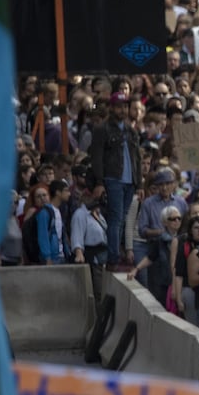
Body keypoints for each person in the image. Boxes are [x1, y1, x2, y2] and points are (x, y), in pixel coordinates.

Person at [88, 92, 141, 268]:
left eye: (125, 106)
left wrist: (139, 183)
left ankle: (115, 253)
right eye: (119, 106)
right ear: (111, 108)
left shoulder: (131, 131)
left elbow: (137, 158)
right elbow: (96, 157)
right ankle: (113, 258)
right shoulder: (102, 129)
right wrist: (100, 182)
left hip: (129, 180)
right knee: (115, 218)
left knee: (122, 219)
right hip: (113, 179)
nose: (122, 110)